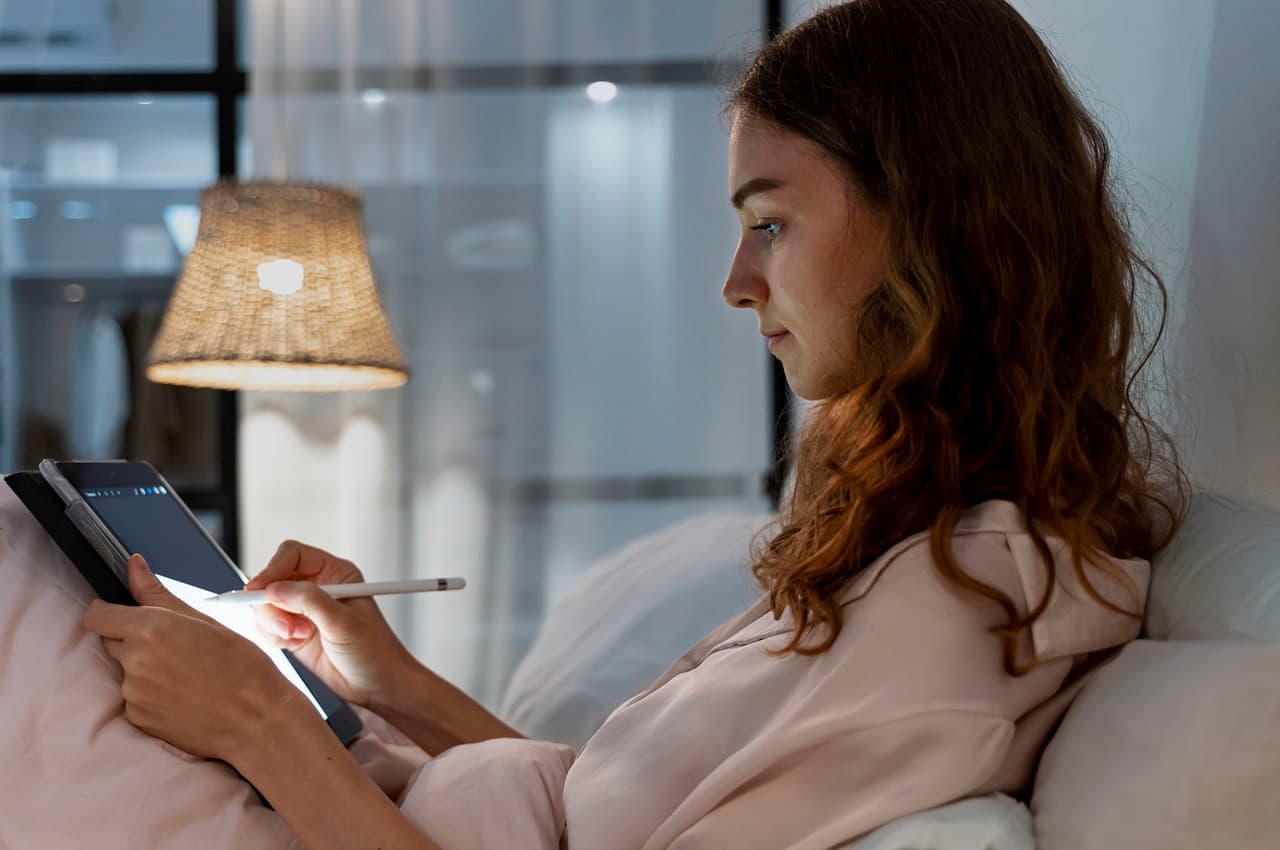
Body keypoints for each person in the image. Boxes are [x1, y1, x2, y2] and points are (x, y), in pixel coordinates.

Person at [81, 0, 1188, 847]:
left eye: (769, 222)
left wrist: (257, 725)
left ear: (924, 220)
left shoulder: (963, 606)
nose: (735, 282)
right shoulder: (924, 547)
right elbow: (605, 814)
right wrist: (392, 683)